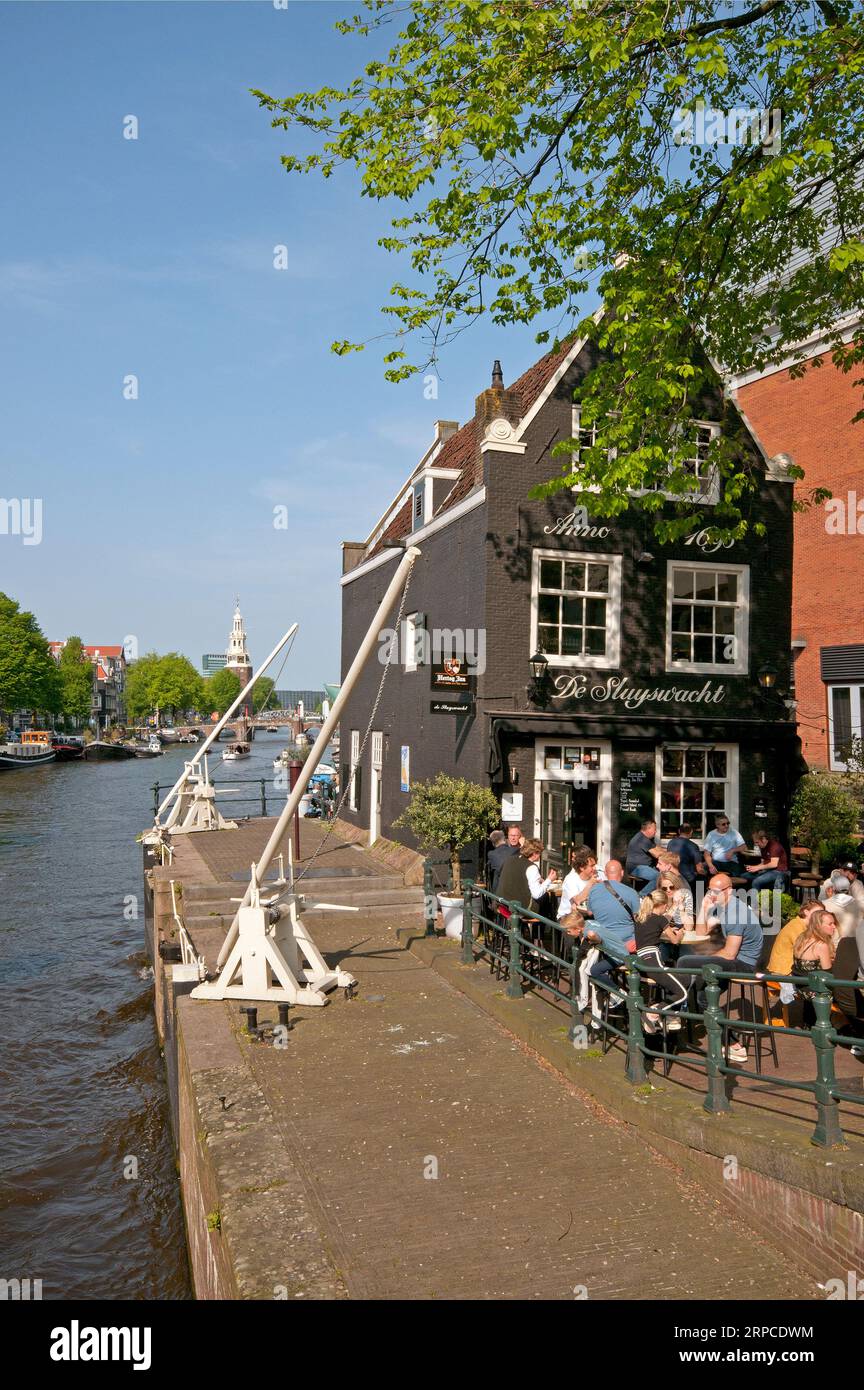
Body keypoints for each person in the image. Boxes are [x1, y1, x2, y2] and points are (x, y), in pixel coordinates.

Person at [676, 873, 764, 1064]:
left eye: (716, 891)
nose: (712, 894)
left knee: (684, 962)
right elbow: (700, 933)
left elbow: (730, 954)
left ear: (729, 890)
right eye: (709, 890)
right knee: (703, 995)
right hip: (731, 960)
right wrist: (704, 909)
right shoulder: (720, 907)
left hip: (744, 965)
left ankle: (671, 1007)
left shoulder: (736, 913)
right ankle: (730, 1043)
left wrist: (704, 958)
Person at [584, 867, 641, 1011]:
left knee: (594, 970)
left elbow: (590, 912)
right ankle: (627, 995)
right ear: (622, 873)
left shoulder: (594, 890)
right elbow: (639, 919)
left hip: (604, 946)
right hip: (627, 947)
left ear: (606, 874)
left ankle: (616, 993)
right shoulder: (631, 892)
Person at [634, 889, 687, 1031]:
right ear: (662, 905)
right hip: (653, 960)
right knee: (682, 993)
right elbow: (675, 941)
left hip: (641, 960)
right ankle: (654, 1012)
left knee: (678, 980)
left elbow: (664, 919)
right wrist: (680, 933)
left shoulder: (640, 917)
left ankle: (667, 1016)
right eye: (666, 906)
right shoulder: (660, 920)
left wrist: (675, 906)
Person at [791, 909, 837, 1026]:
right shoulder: (821, 945)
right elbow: (828, 975)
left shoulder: (801, 937)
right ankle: (843, 1025)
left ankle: (809, 1022)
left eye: (834, 923)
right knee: (848, 992)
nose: (834, 927)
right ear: (818, 926)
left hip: (799, 986)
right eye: (830, 924)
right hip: (813, 990)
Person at [557, 845, 605, 919]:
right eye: (592, 866)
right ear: (582, 868)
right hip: (568, 917)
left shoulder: (599, 873)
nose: (595, 868)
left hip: (590, 914)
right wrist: (590, 884)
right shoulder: (571, 879)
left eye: (595, 865)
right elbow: (578, 900)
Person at [625, 819, 662, 895]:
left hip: (645, 866)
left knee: (665, 874)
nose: (656, 832)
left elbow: (657, 848)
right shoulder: (641, 839)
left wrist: (668, 851)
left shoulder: (646, 839)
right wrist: (667, 852)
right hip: (636, 867)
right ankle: (641, 896)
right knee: (659, 877)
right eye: (654, 829)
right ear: (648, 829)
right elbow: (656, 854)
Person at [664, 823, 704, 891]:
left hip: (672, 876)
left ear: (679, 831)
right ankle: (699, 900)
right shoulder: (693, 846)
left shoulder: (671, 843)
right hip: (688, 878)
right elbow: (699, 869)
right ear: (691, 832)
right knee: (701, 879)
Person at [488, 824, 522, 894]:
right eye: (511, 835)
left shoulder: (523, 850)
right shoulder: (514, 850)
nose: (513, 838)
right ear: (506, 837)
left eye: (515, 835)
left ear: (520, 837)